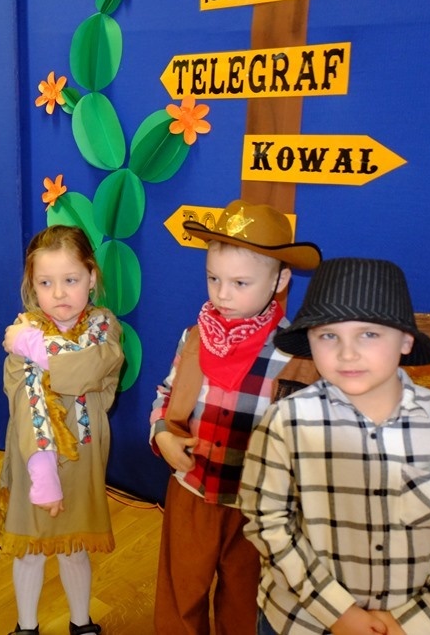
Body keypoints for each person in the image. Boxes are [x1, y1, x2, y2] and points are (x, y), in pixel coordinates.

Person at [239, 257, 430, 635]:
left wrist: (415, 620)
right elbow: (268, 521)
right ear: (309, 342)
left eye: (369, 334)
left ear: (406, 340)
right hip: (300, 621)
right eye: (328, 335)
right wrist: (338, 613)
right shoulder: (284, 422)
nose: (347, 353)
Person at [148, 199, 322, 635]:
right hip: (191, 490)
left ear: (280, 280)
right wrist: (162, 433)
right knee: (180, 594)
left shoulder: (298, 356)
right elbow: (166, 394)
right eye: (213, 278)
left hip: (256, 508)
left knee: (245, 601)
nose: (222, 294)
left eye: (240, 282)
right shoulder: (193, 337)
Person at [0, 225, 124, 635]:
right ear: (32, 286)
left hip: (83, 457)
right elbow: (20, 395)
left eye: (71, 280)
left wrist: (34, 347)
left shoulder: (103, 327)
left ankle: (81, 622)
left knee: (75, 548)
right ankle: (26, 626)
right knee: (30, 551)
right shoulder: (25, 326)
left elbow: (92, 367)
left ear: (91, 277)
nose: (59, 293)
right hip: (33, 462)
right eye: (46, 283)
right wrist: (42, 469)